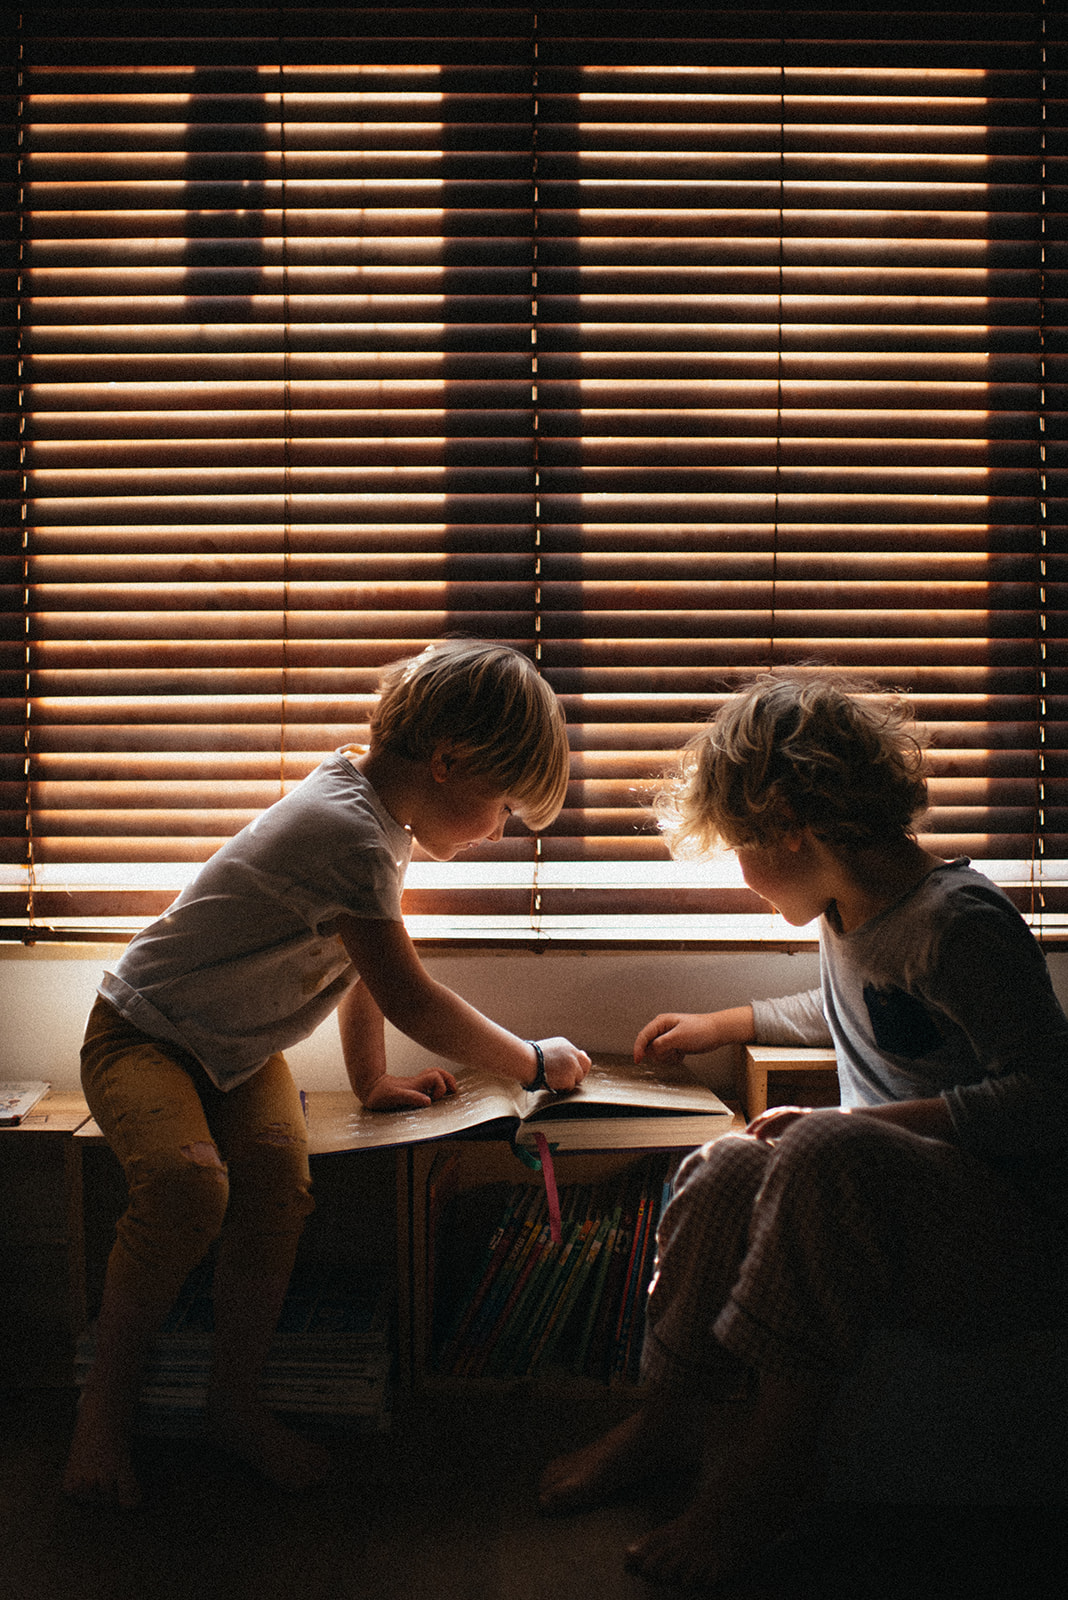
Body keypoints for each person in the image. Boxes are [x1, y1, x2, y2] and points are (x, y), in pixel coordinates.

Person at [539, 672, 1068, 1592]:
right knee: (722, 1164)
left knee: (821, 1143)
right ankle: (668, 1413)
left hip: (1009, 1235)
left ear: (788, 823)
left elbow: (1049, 1095)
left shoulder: (960, 924)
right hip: (884, 1201)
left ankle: (765, 1478)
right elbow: (861, 1009)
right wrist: (731, 1023)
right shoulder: (847, 912)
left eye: (742, 846)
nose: (742, 874)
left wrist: (864, 1123)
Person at [64, 638, 591, 1509]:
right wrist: (533, 1062)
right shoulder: (348, 828)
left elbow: (365, 967)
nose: (501, 829)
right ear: (448, 763)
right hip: (143, 1036)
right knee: (188, 1189)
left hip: (236, 1054)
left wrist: (373, 1081)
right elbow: (412, 995)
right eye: (501, 806)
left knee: (278, 1188)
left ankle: (233, 1408)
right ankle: (101, 1417)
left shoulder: (377, 815)